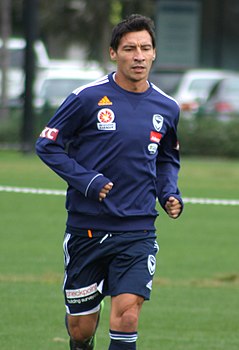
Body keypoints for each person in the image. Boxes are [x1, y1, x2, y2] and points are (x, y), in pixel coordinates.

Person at [35, 14, 183, 350]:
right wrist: (87, 181)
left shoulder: (167, 107)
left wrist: (169, 192)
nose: (138, 56)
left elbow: (166, 158)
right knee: (81, 329)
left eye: (145, 48)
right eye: (130, 48)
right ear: (113, 53)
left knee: (127, 317)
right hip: (87, 229)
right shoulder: (86, 98)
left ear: (154, 53)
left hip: (138, 229)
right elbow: (47, 144)